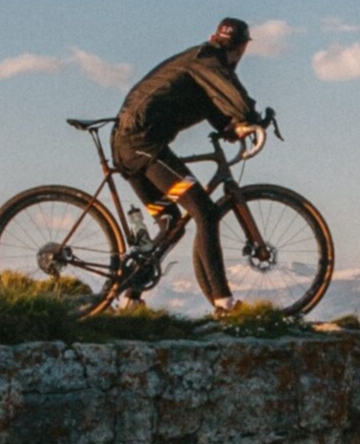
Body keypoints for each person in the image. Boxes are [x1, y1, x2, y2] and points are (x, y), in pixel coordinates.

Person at [111, 18, 262, 309]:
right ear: (242, 48)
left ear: (214, 36)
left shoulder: (199, 62)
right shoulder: (209, 59)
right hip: (143, 146)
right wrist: (251, 119)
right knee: (204, 211)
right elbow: (233, 95)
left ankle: (130, 297)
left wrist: (230, 128)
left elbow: (212, 104)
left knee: (170, 223)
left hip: (129, 145)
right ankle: (224, 302)